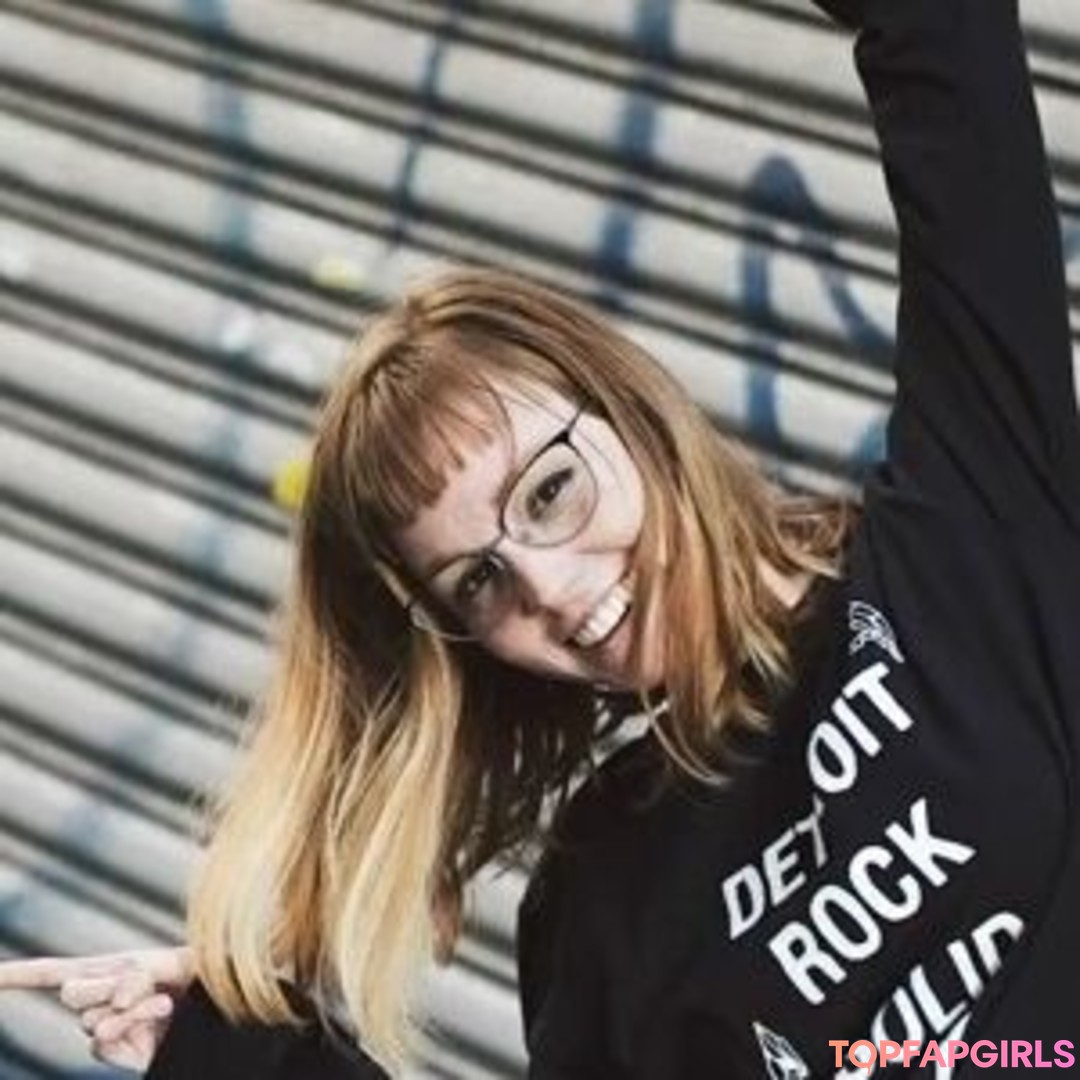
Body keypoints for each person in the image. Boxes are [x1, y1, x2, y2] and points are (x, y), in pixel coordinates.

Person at [2, 0, 1079, 1075]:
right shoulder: (602, 896)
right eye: (479, 581)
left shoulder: (956, 548)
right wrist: (242, 1055)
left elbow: (955, 85)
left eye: (551, 492)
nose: (553, 593)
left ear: (629, 411)